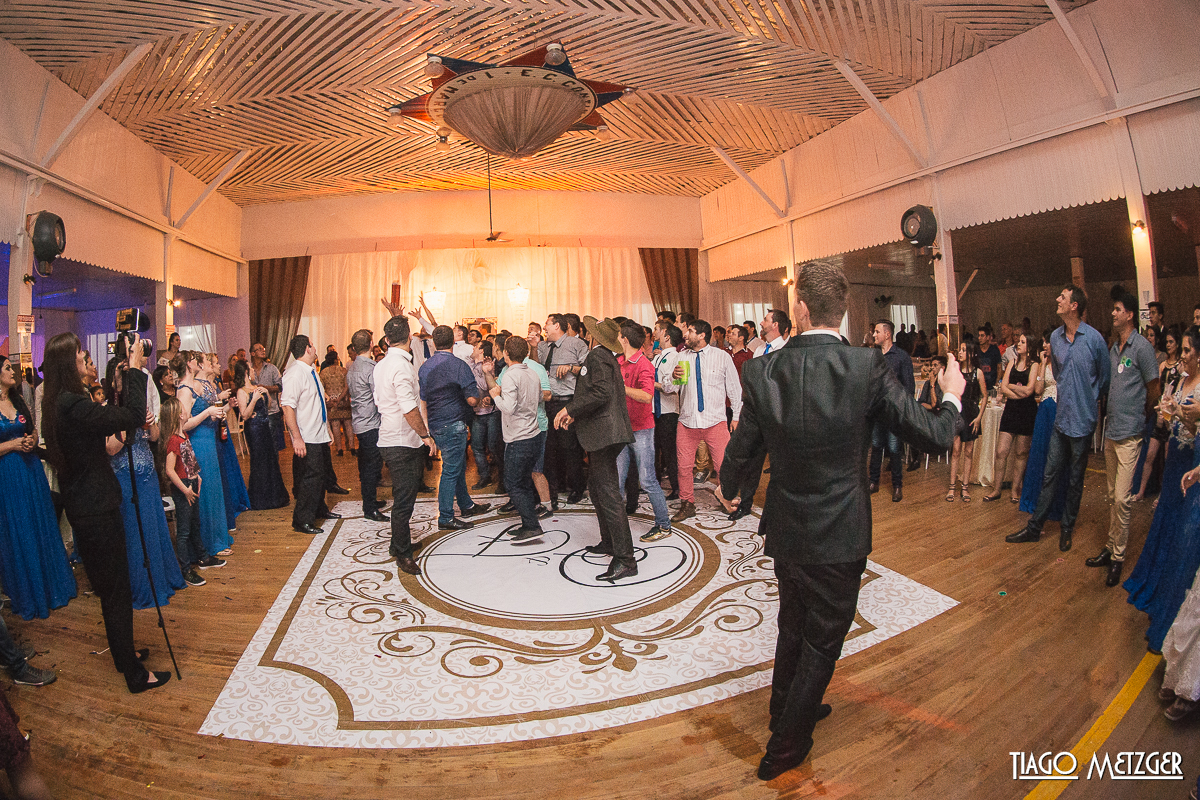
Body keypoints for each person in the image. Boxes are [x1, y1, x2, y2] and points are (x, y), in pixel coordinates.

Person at [717, 261, 963, 781]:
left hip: (786, 527)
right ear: (843, 309)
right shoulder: (866, 366)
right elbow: (935, 435)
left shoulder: (762, 371)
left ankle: (785, 709)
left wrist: (732, 488)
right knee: (822, 640)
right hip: (839, 532)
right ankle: (785, 746)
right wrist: (955, 394)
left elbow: (741, 451)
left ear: (801, 310)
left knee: (794, 624)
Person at [41, 331, 171, 693]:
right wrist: (133, 368)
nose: (86, 360)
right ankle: (133, 674)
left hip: (84, 506)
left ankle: (123, 654)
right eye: (82, 356)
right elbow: (130, 415)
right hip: (96, 508)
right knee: (116, 588)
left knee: (111, 586)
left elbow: (107, 421)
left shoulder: (57, 404)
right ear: (69, 364)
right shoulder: (73, 405)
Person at [1008, 285, 1110, 553]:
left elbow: (1105, 377)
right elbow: (1061, 375)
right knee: (1049, 474)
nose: (1057, 299)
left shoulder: (1095, 339)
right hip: (1060, 419)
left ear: (1074, 305)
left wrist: (1090, 400)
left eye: (1062, 297)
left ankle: (1067, 528)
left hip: (1083, 420)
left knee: (1076, 479)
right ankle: (1034, 528)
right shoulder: (1055, 337)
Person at [1123, 329, 1200, 654]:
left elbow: (1195, 427)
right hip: (1174, 463)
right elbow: (1172, 421)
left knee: (1185, 532)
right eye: (1180, 350)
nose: (1181, 355)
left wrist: (1180, 413)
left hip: (1191, 460)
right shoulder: (1179, 380)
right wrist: (1166, 412)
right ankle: (1156, 579)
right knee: (1166, 522)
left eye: (1185, 350)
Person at [1084, 291, 1160, 587]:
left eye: (1117, 309)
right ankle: (1110, 547)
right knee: (1112, 498)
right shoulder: (1113, 348)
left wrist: (1141, 416)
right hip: (1111, 432)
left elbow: (1153, 388)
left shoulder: (1141, 348)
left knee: (1122, 499)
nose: (1113, 314)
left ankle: (1117, 557)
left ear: (1129, 314)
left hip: (1130, 433)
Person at [555, 317, 638, 582]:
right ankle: (609, 542)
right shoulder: (604, 356)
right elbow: (600, 395)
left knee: (609, 494)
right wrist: (576, 414)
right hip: (605, 432)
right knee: (600, 489)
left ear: (593, 335)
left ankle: (626, 559)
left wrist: (570, 408)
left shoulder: (597, 356)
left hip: (605, 434)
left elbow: (601, 393)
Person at [0, 355, 76, 621]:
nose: (13, 371)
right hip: (8, 474)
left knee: (39, 524)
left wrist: (31, 440)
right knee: (20, 528)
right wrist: (11, 445)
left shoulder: (18, 400)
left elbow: (31, 430)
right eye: (7, 367)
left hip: (30, 469)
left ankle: (51, 586)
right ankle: (29, 592)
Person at [104, 361, 185, 610]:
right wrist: (131, 424)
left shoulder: (139, 405)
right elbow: (110, 447)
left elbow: (155, 437)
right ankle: (143, 586)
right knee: (135, 532)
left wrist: (150, 424)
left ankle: (162, 578)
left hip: (147, 474)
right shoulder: (109, 410)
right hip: (126, 478)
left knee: (154, 528)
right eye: (121, 376)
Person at [373, 315, 435, 576]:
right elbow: (408, 408)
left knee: (403, 497)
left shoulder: (382, 364)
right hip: (401, 441)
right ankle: (403, 554)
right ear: (409, 338)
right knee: (403, 502)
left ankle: (397, 544)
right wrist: (425, 435)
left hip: (391, 436)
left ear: (386, 340)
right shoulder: (401, 367)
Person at [419, 325, 491, 530]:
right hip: (453, 423)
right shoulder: (458, 365)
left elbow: (423, 399)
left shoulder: (425, 367)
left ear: (434, 342)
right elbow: (471, 399)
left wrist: (426, 429)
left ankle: (466, 505)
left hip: (435, 423)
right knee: (451, 470)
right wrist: (479, 399)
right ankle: (445, 517)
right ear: (453, 342)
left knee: (456, 466)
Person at [671, 319, 742, 523]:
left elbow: (734, 389)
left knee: (724, 466)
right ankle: (687, 504)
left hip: (715, 421)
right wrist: (674, 378)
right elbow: (673, 389)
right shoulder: (681, 357)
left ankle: (726, 498)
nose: (686, 334)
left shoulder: (722, 357)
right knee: (684, 467)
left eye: (690, 331)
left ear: (702, 335)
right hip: (687, 421)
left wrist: (736, 416)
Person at [613, 321, 673, 541]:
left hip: (641, 430)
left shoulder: (644, 364)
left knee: (647, 480)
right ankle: (617, 526)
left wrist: (621, 387)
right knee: (617, 480)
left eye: (619, 336)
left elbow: (647, 396)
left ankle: (663, 525)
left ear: (625, 339)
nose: (617, 339)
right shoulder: (619, 361)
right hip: (621, 428)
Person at [173, 351, 233, 560]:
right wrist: (207, 413)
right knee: (204, 491)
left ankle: (215, 538)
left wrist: (214, 413)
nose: (200, 362)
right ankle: (206, 545)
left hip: (207, 441)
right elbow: (182, 424)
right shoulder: (184, 391)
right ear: (190, 365)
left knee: (212, 489)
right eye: (196, 360)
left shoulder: (193, 387)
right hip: (196, 444)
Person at [485, 337, 544, 539]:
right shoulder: (533, 373)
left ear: (507, 354)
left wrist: (495, 396)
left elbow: (508, 408)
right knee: (523, 481)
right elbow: (537, 400)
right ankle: (530, 523)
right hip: (533, 434)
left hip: (519, 437)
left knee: (513, 484)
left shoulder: (511, 375)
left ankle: (531, 526)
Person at [281, 335, 337, 535]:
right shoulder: (295, 373)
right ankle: (301, 520)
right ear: (307, 348)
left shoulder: (311, 370)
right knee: (310, 478)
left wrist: (328, 428)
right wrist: (296, 437)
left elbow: (318, 403)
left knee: (320, 475)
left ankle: (319, 509)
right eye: (313, 345)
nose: (315, 349)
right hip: (307, 435)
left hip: (319, 432)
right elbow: (287, 407)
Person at [539, 313, 590, 506]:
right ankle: (556, 485)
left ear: (557, 326)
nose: (544, 327)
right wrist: (535, 347)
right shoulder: (544, 346)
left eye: (547, 324)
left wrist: (570, 367)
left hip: (568, 402)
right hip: (548, 402)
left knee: (570, 448)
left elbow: (587, 371)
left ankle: (577, 487)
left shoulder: (576, 345)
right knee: (550, 447)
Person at [983, 334, 1040, 503]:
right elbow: (1003, 387)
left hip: (1027, 412)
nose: (1019, 344)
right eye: (1019, 341)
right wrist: (1018, 392)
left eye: (1023, 342)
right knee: (1001, 451)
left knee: (1021, 453)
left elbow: (1030, 390)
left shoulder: (1035, 365)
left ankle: (1015, 490)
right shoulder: (1012, 362)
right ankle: (997, 489)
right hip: (1011, 410)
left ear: (1030, 346)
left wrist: (1013, 388)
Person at [1019, 334, 1068, 520]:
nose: (1045, 345)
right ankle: (1036, 499)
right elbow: (1038, 390)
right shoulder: (1043, 364)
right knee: (1039, 452)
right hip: (1045, 410)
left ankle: (1056, 501)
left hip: (1059, 408)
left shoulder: (1063, 362)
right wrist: (1041, 364)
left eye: (1048, 341)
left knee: (1056, 455)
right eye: (1044, 342)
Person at [159, 396, 206, 587]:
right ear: (179, 416)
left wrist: (197, 476)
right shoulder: (173, 441)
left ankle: (201, 557)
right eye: (183, 409)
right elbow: (170, 470)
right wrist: (185, 489)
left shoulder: (183, 436)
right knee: (184, 530)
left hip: (191, 482)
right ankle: (185, 569)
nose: (187, 411)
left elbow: (188, 459)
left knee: (194, 523)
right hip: (183, 487)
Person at [1133, 326, 1183, 502]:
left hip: (1173, 414)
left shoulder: (1181, 366)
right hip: (1160, 413)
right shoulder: (1163, 365)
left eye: (1171, 342)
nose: (1168, 345)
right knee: (1150, 455)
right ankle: (1141, 491)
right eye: (1167, 342)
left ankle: (1163, 494)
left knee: (1168, 459)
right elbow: (1158, 389)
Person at [868, 320, 915, 502]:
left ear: (887, 334)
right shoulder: (874, 356)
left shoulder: (902, 357)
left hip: (894, 411)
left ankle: (897, 486)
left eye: (877, 332)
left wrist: (903, 410)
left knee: (895, 449)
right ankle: (873, 482)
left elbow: (909, 387)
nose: (874, 335)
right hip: (877, 410)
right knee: (876, 446)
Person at [204, 353, 250, 532]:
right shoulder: (206, 386)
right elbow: (209, 410)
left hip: (220, 427)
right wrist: (220, 397)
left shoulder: (214, 383)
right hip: (212, 432)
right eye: (214, 362)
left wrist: (228, 405)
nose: (217, 365)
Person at [235, 361, 289, 510]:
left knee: (270, 459)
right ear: (246, 372)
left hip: (265, 427)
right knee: (259, 461)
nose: (253, 370)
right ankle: (260, 499)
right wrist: (253, 399)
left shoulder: (256, 387)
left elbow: (269, 405)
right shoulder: (241, 392)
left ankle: (275, 497)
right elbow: (245, 415)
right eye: (251, 368)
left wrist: (266, 394)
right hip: (254, 430)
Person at [346, 329, 388, 522]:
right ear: (372, 344)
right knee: (372, 467)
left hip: (359, 421)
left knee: (365, 466)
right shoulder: (371, 368)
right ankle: (369, 508)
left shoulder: (352, 367)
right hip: (371, 423)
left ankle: (369, 500)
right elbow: (378, 396)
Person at [947, 341, 987, 502]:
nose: (960, 353)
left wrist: (979, 417)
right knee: (956, 450)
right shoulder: (956, 372)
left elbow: (984, 396)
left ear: (971, 353)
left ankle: (965, 487)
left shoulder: (978, 373)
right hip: (958, 412)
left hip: (971, 413)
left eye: (964, 350)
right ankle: (951, 487)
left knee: (969, 451)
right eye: (960, 350)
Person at [652, 322, 684, 501]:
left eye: (658, 330)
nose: (655, 332)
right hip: (654, 410)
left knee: (670, 452)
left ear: (666, 336)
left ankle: (677, 487)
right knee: (654, 449)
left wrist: (654, 384)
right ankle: (655, 485)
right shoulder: (657, 357)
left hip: (668, 411)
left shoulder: (677, 357)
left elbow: (676, 386)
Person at [469, 341, 504, 491]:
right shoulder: (470, 365)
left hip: (492, 413)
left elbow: (485, 386)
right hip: (477, 412)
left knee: (494, 446)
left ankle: (503, 480)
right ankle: (485, 477)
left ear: (481, 351)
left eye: (476, 347)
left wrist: (484, 371)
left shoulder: (490, 365)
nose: (473, 348)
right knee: (476, 446)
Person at [250, 343, 285, 451]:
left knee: (272, 443)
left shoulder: (272, 368)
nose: (263, 350)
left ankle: (273, 466)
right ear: (253, 353)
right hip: (254, 412)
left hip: (271, 410)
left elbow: (280, 386)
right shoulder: (249, 370)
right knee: (258, 444)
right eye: (259, 349)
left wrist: (265, 388)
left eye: (263, 348)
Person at [320, 352, 354, 457]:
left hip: (331, 402)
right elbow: (347, 386)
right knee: (348, 424)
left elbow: (321, 388)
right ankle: (352, 447)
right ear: (336, 359)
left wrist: (330, 400)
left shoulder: (323, 373)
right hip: (343, 400)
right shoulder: (343, 371)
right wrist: (340, 398)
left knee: (335, 424)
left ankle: (339, 449)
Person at [977, 325, 1002, 391]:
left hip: (992, 385)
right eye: (979, 335)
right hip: (979, 385)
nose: (979, 338)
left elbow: (999, 367)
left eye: (982, 336)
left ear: (988, 337)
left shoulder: (994, 349)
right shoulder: (976, 350)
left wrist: (997, 382)